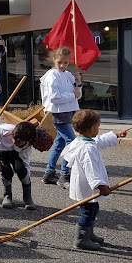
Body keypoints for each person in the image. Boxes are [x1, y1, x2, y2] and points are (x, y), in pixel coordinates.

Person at [61, 110, 129, 250]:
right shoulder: (87, 149)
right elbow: (91, 169)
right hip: (87, 186)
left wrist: (115, 135)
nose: (98, 129)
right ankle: (81, 238)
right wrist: (100, 185)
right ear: (91, 129)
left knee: (93, 209)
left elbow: (98, 141)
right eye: (98, 127)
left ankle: (88, 234)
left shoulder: (81, 141)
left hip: (83, 185)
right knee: (87, 212)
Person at [40, 47, 82, 188]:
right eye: (60, 62)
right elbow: (54, 97)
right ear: (54, 60)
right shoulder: (51, 76)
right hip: (58, 113)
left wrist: (78, 84)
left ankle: (49, 173)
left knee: (60, 143)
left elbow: (77, 94)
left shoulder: (69, 75)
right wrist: (73, 95)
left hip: (68, 111)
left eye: (65, 62)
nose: (63, 65)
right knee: (71, 142)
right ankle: (65, 175)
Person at [0, 122, 38, 209]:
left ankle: (27, 198)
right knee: (6, 171)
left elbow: (26, 162)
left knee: (21, 169)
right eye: (14, 139)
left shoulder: (26, 146)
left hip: (14, 152)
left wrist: (26, 176)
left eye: (19, 142)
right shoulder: (6, 130)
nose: (15, 143)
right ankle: (7, 196)